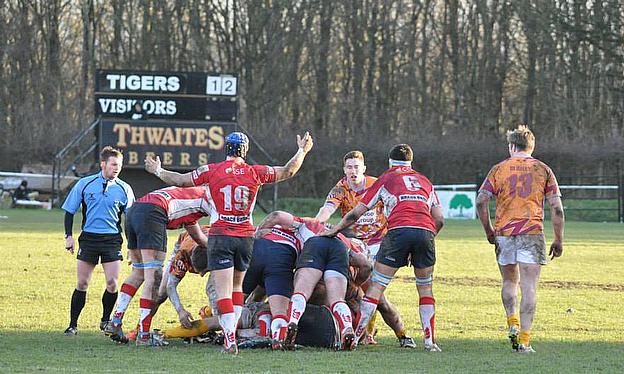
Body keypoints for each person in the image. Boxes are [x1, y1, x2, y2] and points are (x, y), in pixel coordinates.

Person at [144, 131, 313, 354]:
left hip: (221, 235)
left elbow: (182, 181)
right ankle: (232, 336)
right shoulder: (255, 172)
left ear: (226, 149)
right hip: (245, 238)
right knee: (236, 289)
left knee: (223, 291)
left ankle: (230, 340)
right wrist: (302, 150)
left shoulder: (212, 170)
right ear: (245, 150)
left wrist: (158, 170)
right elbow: (288, 170)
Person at [321, 144, 445, 352]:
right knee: (425, 288)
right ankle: (430, 342)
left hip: (395, 235)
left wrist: (334, 230)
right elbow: (440, 218)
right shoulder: (424, 180)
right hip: (424, 232)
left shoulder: (384, 179)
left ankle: (357, 336)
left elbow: (354, 214)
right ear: (410, 162)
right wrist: (426, 237)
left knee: (376, 288)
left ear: (390, 162)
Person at [476, 124, 564, 353]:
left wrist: (488, 230)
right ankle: (524, 340)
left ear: (512, 146)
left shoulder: (499, 169)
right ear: (531, 147)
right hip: (532, 234)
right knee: (530, 287)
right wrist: (558, 239)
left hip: (504, 234)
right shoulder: (543, 169)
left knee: (509, 282)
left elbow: (480, 201)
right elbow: (557, 209)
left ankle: (512, 321)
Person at [315, 150, 414, 348]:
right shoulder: (340, 189)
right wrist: (315, 224)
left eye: (356, 167)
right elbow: (327, 209)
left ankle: (399, 335)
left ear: (364, 168)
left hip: (380, 242)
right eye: (349, 167)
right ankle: (368, 333)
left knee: (374, 294)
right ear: (344, 169)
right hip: (356, 245)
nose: (353, 171)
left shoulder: (376, 184)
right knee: (364, 293)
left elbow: (395, 208)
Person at [103, 186, 210, 346]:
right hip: (154, 212)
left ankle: (115, 322)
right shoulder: (209, 198)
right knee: (153, 277)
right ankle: (144, 336)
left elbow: (198, 236)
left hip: (135, 211)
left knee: (139, 272)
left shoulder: (189, 199)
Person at [254, 211, 363, 351]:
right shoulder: (344, 239)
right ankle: (347, 328)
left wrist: (259, 231)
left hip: (315, 246)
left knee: (301, 292)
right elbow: (365, 265)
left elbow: (277, 216)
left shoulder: (305, 224)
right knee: (338, 300)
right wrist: (355, 285)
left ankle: (292, 323)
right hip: (339, 250)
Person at [61, 146, 135, 336]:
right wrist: (68, 236)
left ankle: (105, 320)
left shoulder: (125, 188)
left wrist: (131, 246)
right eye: (113, 165)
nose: (116, 168)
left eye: (119, 165)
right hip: (89, 239)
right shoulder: (85, 184)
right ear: (103, 164)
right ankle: (72, 325)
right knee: (83, 283)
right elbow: (69, 211)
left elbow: (131, 220)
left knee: (112, 283)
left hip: (111, 240)